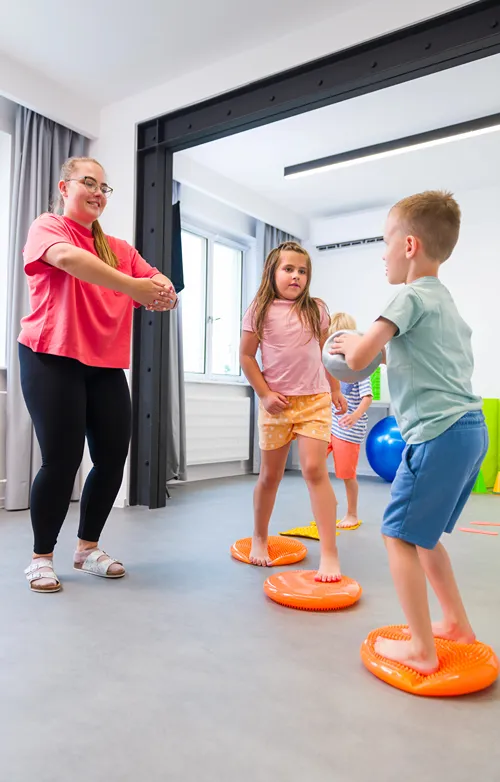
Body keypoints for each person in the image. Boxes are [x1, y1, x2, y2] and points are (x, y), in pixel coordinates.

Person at [332, 191, 487, 673]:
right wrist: (373, 351)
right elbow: (404, 358)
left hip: (437, 435)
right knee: (424, 538)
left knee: (397, 535)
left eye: (385, 241)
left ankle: (421, 649)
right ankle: (456, 624)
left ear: (410, 246)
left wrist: (347, 342)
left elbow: (356, 361)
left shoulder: (408, 294)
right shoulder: (444, 302)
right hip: (470, 431)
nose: (382, 253)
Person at [21, 156, 177, 593]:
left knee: (111, 459)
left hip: (104, 364)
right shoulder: (48, 227)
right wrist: (134, 287)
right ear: (64, 187)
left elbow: (156, 281)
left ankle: (87, 548)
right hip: (50, 354)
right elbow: (70, 260)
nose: (97, 192)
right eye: (88, 183)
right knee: (62, 459)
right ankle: (40, 557)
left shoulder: (121, 250)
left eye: (104, 188)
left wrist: (161, 286)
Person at [240, 242, 347, 582]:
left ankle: (329, 553)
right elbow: (246, 357)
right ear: (272, 272)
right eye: (289, 269)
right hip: (277, 404)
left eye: (303, 271)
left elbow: (327, 352)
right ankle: (260, 537)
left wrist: (335, 388)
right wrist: (265, 394)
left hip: (314, 400)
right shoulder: (260, 309)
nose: (296, 276)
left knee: (315, 470)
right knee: (270, 477)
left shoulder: (316, 309)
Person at [327, 312, 373, 530]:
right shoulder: (331, 366)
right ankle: (328, 500)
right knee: (312, 464)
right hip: (329, 425)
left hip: (348, 429)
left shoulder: (359, 367)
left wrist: (354, 416)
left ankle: (352, 513)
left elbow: (367, 397)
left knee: (346, 474)